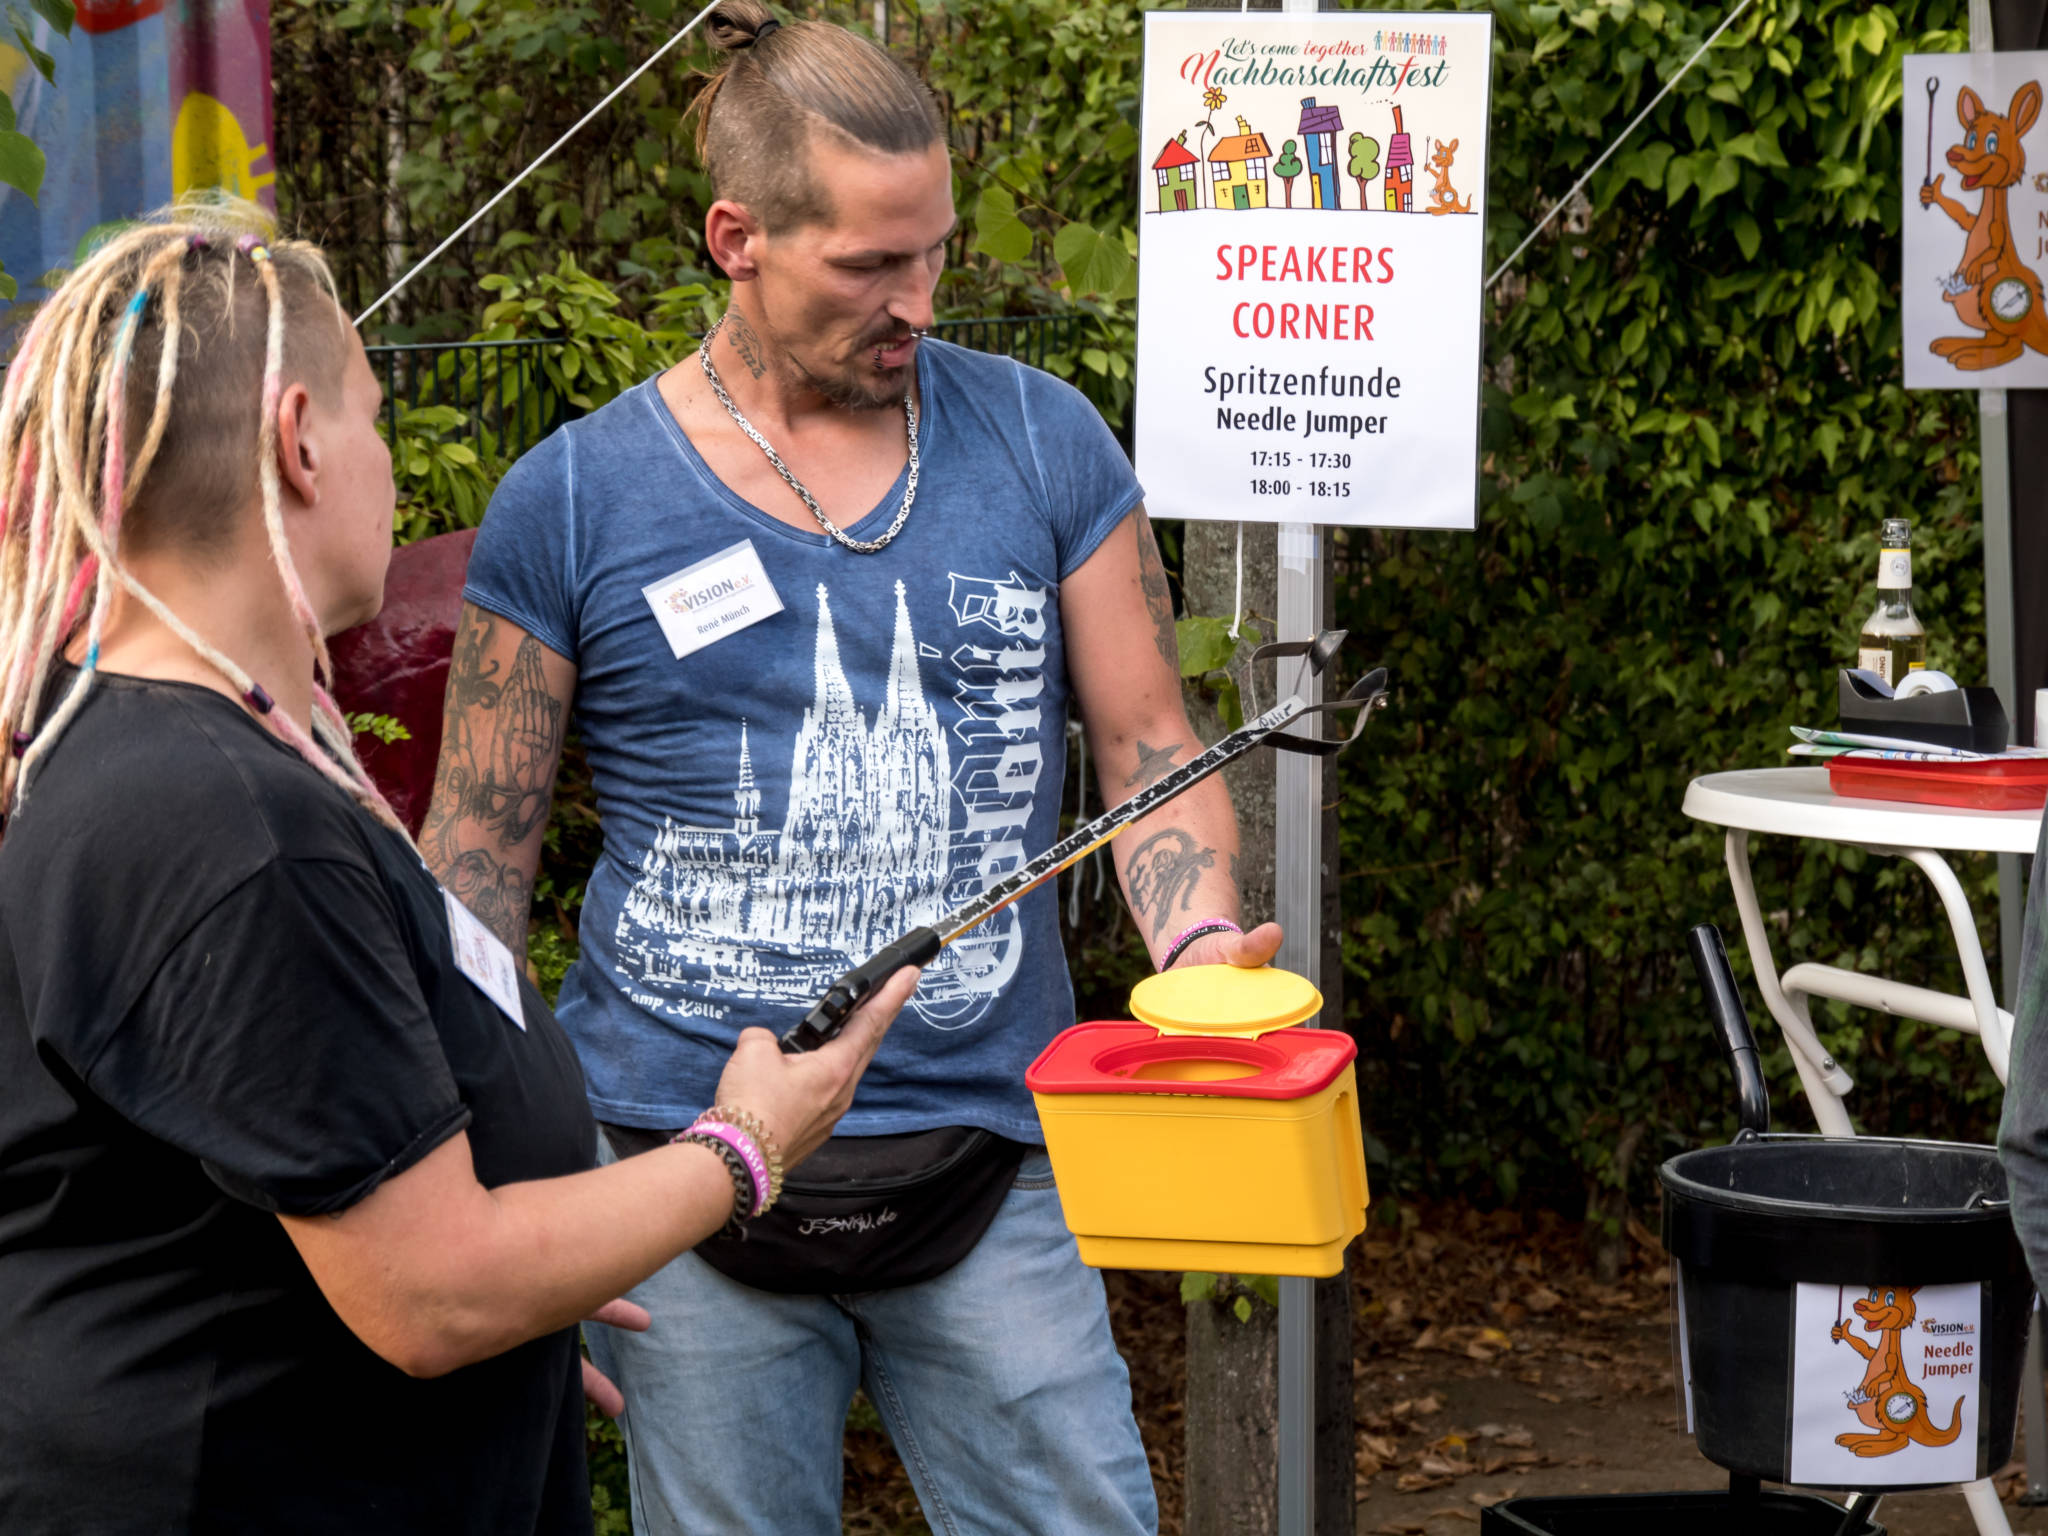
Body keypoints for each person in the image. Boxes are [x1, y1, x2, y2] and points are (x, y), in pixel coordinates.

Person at [422, 5, 1282, 1532]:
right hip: (679, 1172)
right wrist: (491, 1190)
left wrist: (1201, 941)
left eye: (934, 252)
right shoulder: (574, 498)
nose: (918, 303)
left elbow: (1151, 744)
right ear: (737, 240)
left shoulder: (1042, 441)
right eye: (871, 265)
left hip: (990, 1160)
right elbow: (475, 869)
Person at [0, 205, 916, 1536]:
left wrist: (524, 1316)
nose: (389, 469)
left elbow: (265, 1160)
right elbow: (429, 1295)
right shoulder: (228, 828)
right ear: (299, 441)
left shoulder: (158, 744)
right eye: (374, 421)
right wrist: (745, 1147)